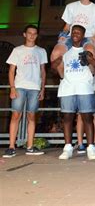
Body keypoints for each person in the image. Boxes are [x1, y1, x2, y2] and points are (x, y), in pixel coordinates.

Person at [51, 25, 95, 160]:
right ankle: (67, 147)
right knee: (67, 118)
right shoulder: (64, 51)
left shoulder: (88, 51)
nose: (75, 34)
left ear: (83, 35)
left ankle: (90, 147)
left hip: (84, 88)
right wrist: (55, 63)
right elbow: (53, 71)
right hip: (67, 87)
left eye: (78, 32)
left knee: (87, 118)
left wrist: (92, 60)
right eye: (73, 32)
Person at [3, 25, 47, 158]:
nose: (32, 35)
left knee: (31, 117)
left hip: (34, 87)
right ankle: (11, 146)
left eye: (34, 33)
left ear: (37, 35)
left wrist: (42, 89)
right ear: (24, 34)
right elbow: (11, 70)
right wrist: (12, 88)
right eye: (29, 33)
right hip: (20, 86)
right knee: (16, 115)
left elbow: (43, 71)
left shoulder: (41, 51)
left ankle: (30, 146)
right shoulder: (17, 50)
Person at [50, 0, 95, 78]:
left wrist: (94, 38)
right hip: (72, 37)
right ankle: (63, 77)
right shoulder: (70, 7)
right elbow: (67, 26)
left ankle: (89, 77)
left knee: (90, 53)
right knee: (55, 53)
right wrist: (62, 36)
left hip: (87, 37)